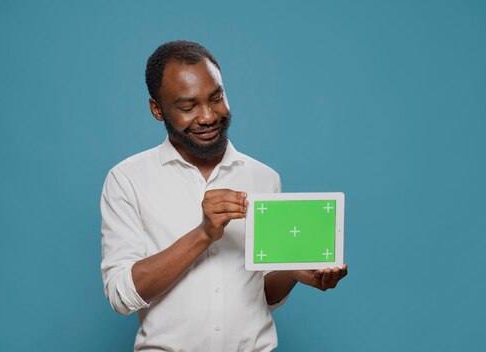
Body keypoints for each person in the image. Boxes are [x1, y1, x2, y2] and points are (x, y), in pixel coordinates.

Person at [100, 40, 348, 351]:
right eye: (188, 106)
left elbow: (263, 297)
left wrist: (293, 273)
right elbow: (121, 296)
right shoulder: (127, 180)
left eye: (216, 98)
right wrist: (204, 234)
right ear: (157, 109)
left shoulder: (264, 178)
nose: (207, 116)